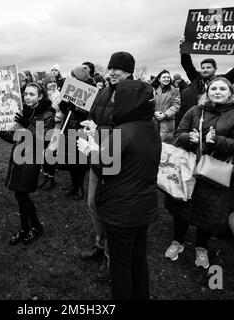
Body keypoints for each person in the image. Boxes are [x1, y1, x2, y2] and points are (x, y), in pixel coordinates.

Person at [78, 78, 161, 300]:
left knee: (121, 266)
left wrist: (90, 150)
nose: (115, 102)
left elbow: (105, 167)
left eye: (118, 98)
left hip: (122, 210)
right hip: (142, 206)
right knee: (138, 259)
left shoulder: (123, 133)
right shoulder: (149, 127)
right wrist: (100, 144)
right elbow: (126, 159)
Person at [164, 77, 234, 269]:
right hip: (188, 169)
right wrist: (190, 138)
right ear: (207, 92)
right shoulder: (195, 111)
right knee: (182, 206)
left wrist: (217, 141)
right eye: (213, 88)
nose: (217, 92)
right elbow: (178, 135)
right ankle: (177, 242)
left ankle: (201, 247)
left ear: (231, 92)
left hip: (215, 173)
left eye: (222, 88)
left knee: (208, 213)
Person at [82, 51, 137, 281]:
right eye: (112, 68)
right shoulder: (103, 92)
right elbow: (95, 117)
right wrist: (90, 125)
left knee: (113, 212)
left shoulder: (135, 95)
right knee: (93, 203)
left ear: (129, 72)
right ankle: (100, 244)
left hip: (119, 164)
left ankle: (112, 258)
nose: (114, 73)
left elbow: (132, 129)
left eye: (120, 70)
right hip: (97, 158)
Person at [0, 82, 55, 245]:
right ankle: (25, 228)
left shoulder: (47, 114)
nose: (27, 97)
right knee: (19, 194)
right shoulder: (25, 111)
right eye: (26, 94)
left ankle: (35, 227)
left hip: (31, 158)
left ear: (41, 96)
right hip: (18, 156)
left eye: (32, 94)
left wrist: (27, 124)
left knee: (22, 194)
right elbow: (11, 137)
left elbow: (43, 140)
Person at [177, 35, 234, 125]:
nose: (205, 70)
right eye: (203, 68)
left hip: (216, 121)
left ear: (215, 69)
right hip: (195, 120)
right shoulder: (196, 79)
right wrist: (183, 47)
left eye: (208, 67)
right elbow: (187, 63)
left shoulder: (223, 80)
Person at [59, 65, 96, 200]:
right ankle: (74, 185)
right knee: (71, 159)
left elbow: (90, 113)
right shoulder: (71, 89)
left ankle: (80, 187)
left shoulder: (91, 92)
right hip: (69, 127)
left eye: (74, 76)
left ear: (79, 78)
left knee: (80, 161)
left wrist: (78, 109)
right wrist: (65, 102)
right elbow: (64, 110)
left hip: (81, 130)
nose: (71, 78)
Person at [38, 74, 63, 190]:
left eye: (54, 82)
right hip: (42, 128)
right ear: (45, 84)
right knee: (43, 152)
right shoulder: (42, 96)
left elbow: (62, 114)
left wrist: (49, 119)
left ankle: (51, 179)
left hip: (55, 128)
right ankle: (45, 176)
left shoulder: (61, 96)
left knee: (51, 153)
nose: (53, 84)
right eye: (50, 82)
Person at [151, 70, 180, 143]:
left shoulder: (175, 90)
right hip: (154, 121)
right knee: (153, 144)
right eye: (164, 77)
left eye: (168, 77)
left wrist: (165, 115)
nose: (166, 79)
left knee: (166, 146)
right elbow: (149, 103)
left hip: (167, 122)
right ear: (159, 79)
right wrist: (153, 113)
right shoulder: (153, 90)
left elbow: (176, 105)